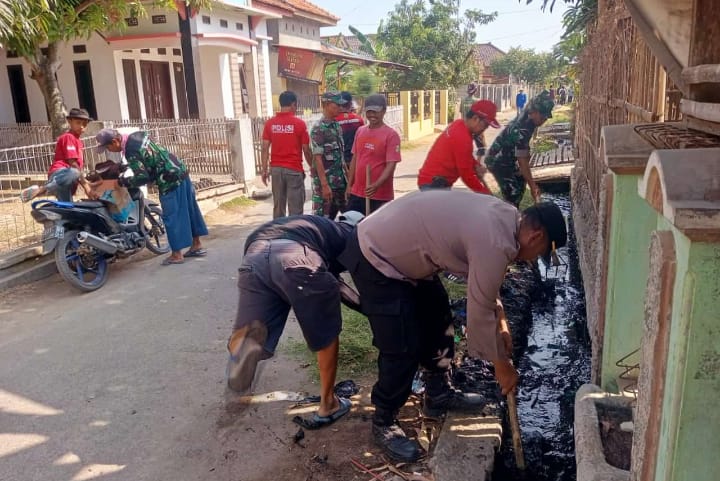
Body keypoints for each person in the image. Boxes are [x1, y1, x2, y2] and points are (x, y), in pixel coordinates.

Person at [338, 190, 567, 462]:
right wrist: (502, 365)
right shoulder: (496, 240)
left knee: (438, 317)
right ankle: (384, 420)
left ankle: (438, 392)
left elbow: (485, 286)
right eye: (538, 253)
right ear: (536, 236)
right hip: (376, 254)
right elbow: (479, 308)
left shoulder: (507, 220)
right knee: (401, 343)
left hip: (409, 254)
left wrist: (503, 324)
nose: (531, 259)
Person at [226, 211, 365, 429]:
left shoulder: (315, 225)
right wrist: (372, 311)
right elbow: (339, 288)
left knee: (253, 324)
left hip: (255, 254)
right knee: (325, 332)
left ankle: (242, 354)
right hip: (296, 257)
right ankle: (329, 404)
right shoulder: (349, 237)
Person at [95, 129, 208, 265]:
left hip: (168, 180)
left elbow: (143, 177)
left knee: (171, 216)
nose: (109, 150)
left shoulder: (130, 151)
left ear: (115, 141)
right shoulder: (137, 137)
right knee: (190, 209)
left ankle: (177, 255)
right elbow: (149, 157)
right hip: (180, 170)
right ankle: (197, 245)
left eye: (108, 147)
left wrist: (121, 182)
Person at [485, 90, 555, 207]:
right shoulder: (522, 128)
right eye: (543, 116)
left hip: (509, 159)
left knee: (521, 179)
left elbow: (524, 153)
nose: (544, 120)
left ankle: (512, 211)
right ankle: (507, 217)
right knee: (513, 194)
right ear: (535, 112)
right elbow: (522, 161)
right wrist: (533, 187)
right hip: (497, 161)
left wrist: (529, 178)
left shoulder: (529, 118)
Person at [417, 100, 500, 193]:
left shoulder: (459, 124)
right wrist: (486, 194)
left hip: (431, 181)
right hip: (433, 185)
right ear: (475, 118)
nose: (485, 129)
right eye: (485, 125)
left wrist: (477, 166)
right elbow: (466, 175)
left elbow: (465, 156)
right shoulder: (462, 138)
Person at [21, 108, 94, 202]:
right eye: (78, 122)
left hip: (68, 181)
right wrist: (86, 186)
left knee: (67, 207)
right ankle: (43, 189)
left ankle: (49, 191)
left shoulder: (78, 141)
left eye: (84, 124)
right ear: (69, 121)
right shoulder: (68, 137)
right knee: (74, 172)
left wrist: (85, 182)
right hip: (61, 174)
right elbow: (73, 163)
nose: (81, 127)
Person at [346, 94, 401, 215]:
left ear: (384, 111)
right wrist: (349, 185)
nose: (372, 115)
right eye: (369, 111)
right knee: (352, 227)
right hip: (357, 192)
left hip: (380, 195)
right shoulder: (360, 131)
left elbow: (391, 165)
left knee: (377, 231)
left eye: (376, 112)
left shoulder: (391, 135)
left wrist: (376, 185)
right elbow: (355, 158)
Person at [261, 91, 313, 218]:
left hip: (276, 170)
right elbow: (306, 149)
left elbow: (264, 148)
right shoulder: (299, 124)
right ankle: (294, 234)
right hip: (294, 170)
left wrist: (264, 170)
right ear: (293, 104)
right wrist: (313, 166)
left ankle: (278, 233)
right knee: (295, 209)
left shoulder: (270, 124)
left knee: (278, 207)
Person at [310, 91, 347, 219]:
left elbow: (341, 156)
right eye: (336, 105)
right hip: (326, 185)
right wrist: (325, 186)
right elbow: (318, 159)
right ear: (325, 105)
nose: (340, 109)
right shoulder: (318, 128)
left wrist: (348, 179)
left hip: (340, 183)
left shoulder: (336, 126)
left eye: (341, 106)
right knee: (323, 221)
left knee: (350, 217)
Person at [335, 91, 364, 168]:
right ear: (350, 104)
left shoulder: (334, 121)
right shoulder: (359, 120)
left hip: (339, 161)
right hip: (355, 159)